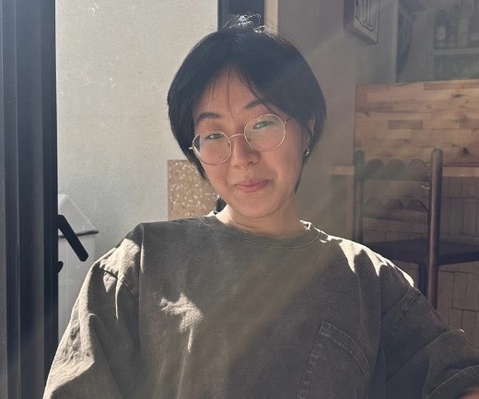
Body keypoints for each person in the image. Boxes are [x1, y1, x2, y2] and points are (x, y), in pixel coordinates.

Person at [44, 20, 479, 398]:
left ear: (307, 128)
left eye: (263, 123)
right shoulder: (142, 262)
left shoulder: (369, 280)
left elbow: (455, 380)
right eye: (214, 135)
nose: (242, 156)